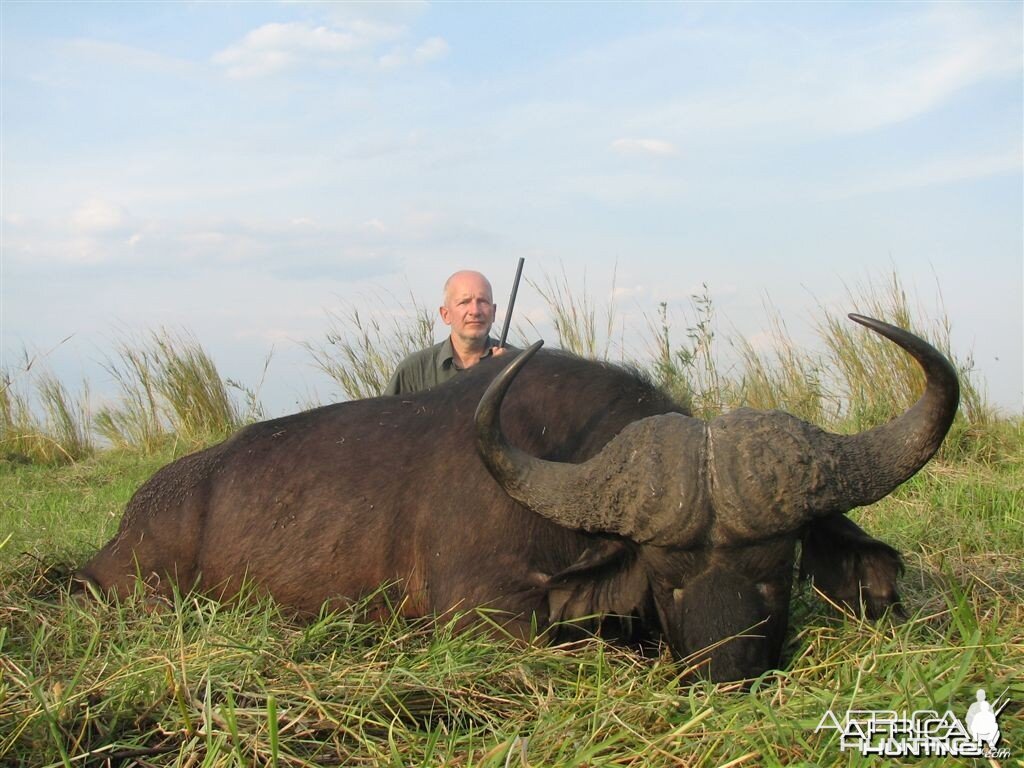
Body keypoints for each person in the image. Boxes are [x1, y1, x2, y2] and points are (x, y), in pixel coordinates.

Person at [384, 270, 511, 395]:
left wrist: (507, 375)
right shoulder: (413, 371)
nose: (475, 311)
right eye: (464, 302)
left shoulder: (518, 366)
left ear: (493, 312)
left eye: (483, 301)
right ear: (445, 314)